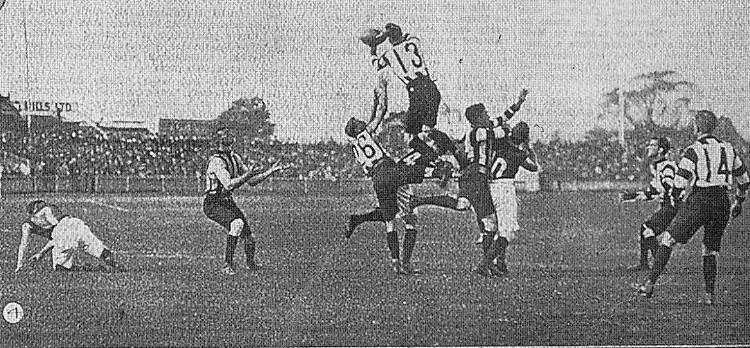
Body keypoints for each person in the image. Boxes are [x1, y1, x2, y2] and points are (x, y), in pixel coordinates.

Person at [638, 110, 749, 305]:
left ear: (697, 127)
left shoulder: (694, 149)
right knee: (710, 250)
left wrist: (674, 197)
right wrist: (738, 202)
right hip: (722, 201)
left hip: (701, 199)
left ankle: (650, 283)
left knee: (668, 239)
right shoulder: (729, 148)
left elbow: (680, 181)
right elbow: (744, 180)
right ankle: (709, 296)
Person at [345, 90, 453, 274]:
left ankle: (395, 262)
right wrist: (380, 98)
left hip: (377, 178)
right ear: (357, 129)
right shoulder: (366, 132)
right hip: (389, 169)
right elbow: (380, 113)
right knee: (410, 211)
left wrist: (372, 106)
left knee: (390, 221)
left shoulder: (355, 146)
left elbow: (369, 123)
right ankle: (437, 171)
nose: (361, 121)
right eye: (357, 122)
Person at [203, 126, 287, 276]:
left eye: (229, 132)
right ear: (218, 140)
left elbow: (252, 181)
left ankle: (251, 263)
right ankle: (227, 264)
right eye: (224, 133)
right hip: (213, 203)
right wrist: (247, 174)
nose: (228, 134)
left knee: (248, 236)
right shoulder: (217, 161)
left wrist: (270, 172)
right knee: (237, 224)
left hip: (226, 201)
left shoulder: (235, 158)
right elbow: (228, 184)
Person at [365, 23, 441, 137]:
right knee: (429, 129)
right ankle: (452, 148)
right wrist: (390, 33)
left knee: (411, 135)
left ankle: (431, 153)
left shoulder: (389, 54)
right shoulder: (414, 41)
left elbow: (376, 65)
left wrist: (373, 48)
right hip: (430, 86)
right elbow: (407, 37)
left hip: (416, 90)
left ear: (389, 40)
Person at [620, 137, 680, 271]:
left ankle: (659, 263)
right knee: (645, 230)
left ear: (661, 150)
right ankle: (644, 264)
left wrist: (662, 193)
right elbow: (651, 191)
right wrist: (632, 196)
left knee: (647, 228)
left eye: (652, 145)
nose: (649, 147)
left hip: (671, 206)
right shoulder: (659, 166)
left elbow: (669, 186)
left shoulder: (667, 166)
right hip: (668, 205)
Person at [15, 199, 125, 272]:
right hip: (75, 223)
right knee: (101, 251)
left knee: (61, 268)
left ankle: (91, 268)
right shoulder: (49, 209)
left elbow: (57, 235)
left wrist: (21, 264)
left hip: (63, 231)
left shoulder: (28, 224)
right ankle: (117, 267)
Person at [487, 121, 539, 275]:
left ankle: (497, 262)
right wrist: (529, 148)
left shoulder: (500, 144)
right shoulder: (520, 154)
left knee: (493, 227)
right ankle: (490, 262)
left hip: (490, 186)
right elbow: (534, 167)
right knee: (507, 228)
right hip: (505, 188)